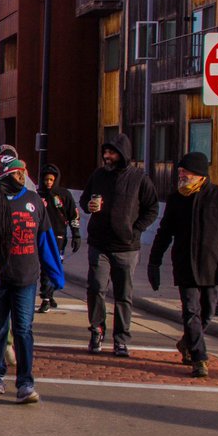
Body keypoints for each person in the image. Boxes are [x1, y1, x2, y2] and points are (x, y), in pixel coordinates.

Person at [0, 158, 65, 404]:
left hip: (26, 276)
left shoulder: (33, 201)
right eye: (15, 175)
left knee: (23, 329)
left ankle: (25, 381)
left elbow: (45, 239)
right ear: (4, 177)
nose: (20, 179)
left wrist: (55, 273)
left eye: (22, 174)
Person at [148, 152, 218, 378]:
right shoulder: (176, 199)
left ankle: (187, 342)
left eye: (184, 172)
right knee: (191, 311)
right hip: (185, 265)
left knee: (208, 313)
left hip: (213, 265)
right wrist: (154, 261)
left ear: (199, 174)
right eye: (180, 171)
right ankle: (199, 358)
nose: (180, 175)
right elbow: (164, 233)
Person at [79, 133, 159, 356]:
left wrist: (136, 229)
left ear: (122, 154)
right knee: (96, 287)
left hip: (126, 247)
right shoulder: (98, 175)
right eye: (105, 152)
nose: (107, 156)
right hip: (99, 244)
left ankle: (121, 339)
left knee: (123, 294)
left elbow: (152, 208)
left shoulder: (139, 178)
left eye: (111, 152)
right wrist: (89, 206)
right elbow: (84, 200)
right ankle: (97, 329)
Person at [36, 163, 81, 313]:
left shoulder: (64, 195)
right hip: (41, 236)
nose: (48, 182)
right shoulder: (37, 195)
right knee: (45, 267)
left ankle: (50, 293)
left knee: (55, 266)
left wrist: (76, 234)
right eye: (45, 179)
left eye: (51, 179)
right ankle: (46, 298)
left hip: (58, 236)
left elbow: (73, 215)